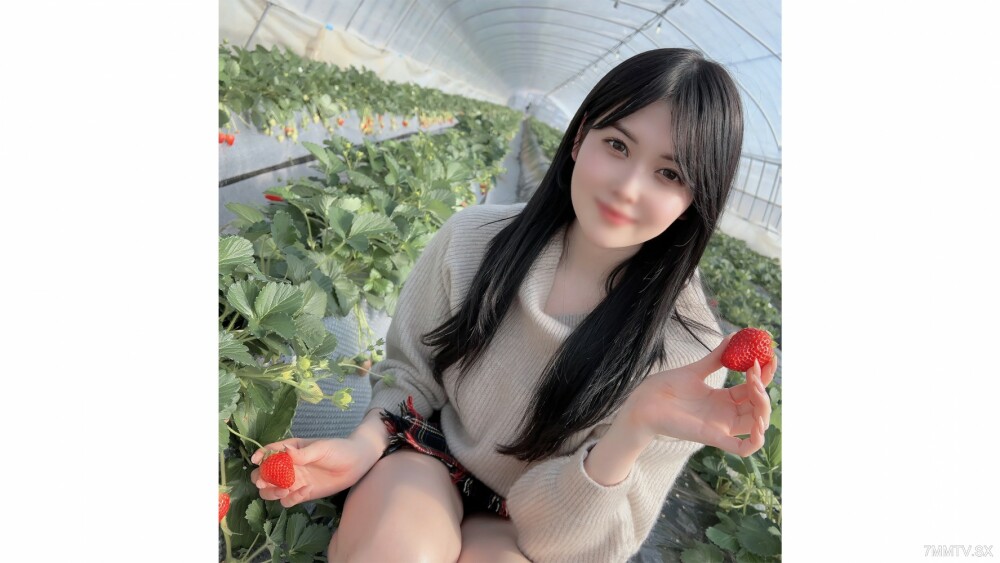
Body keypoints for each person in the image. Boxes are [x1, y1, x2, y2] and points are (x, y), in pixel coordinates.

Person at [250, 48, 776, 562]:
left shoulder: (689, 355)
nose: (628, 188)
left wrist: (633, 426)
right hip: (430, 458)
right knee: (396, 548)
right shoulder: (473, 240)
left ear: (694, 200)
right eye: (617, 145)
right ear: (580, 137)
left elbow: (577, 550)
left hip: (532, 528)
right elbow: (411, 375)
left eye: (670, 174)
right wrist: (360, 448)